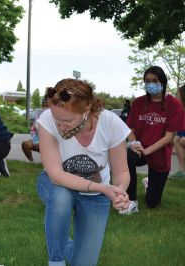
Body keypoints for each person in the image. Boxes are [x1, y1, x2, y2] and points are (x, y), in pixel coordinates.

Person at [36, 78, 130, 265]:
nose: (61, 126)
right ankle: (56, 260)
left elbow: (122, 171)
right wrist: (103, 188)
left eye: (68, 120)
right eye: (57, 120)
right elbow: (56, 175)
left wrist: (119, 191)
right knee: (61, 197)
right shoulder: (47, 120)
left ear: (86, 110)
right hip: (57, 185)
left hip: (96, 196)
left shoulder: (111, 123)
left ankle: (61, 238)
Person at [120, 66, 185, 215]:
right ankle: (131, 201)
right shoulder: (138, 103)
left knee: (152, 203)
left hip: (159, 154)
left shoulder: (174, 104)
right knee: (127, 155)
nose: (151, 84)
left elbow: (169, 136)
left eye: (154, 81)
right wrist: (135, 144)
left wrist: (147, 150)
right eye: (147, 81)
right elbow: (130, 129)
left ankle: (149, 182)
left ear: (162, 82)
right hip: (139, 149)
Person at [21, 94, 50, 161]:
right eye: (44, 105)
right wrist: (36, 141)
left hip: (51, 144)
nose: (45, 108)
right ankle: (32, 162)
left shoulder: (55, 117)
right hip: (38, 141)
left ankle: (49, 163)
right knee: (25, 144)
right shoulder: (39, 116)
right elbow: (33, 131)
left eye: (47, 106)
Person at [171, 84, 185, 178]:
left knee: (177, 139)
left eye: (178, 95)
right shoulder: (180, 109)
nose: (177, 96)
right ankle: (182, 171)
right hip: (181, 137)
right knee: (176, 138)